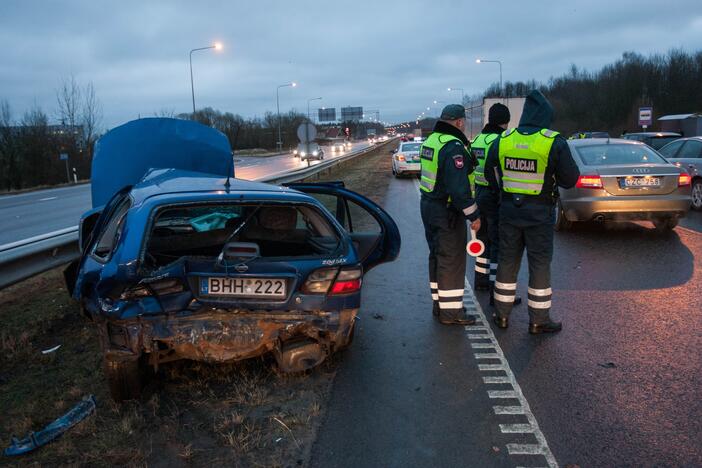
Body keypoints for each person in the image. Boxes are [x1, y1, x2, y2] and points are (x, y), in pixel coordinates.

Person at [484, 90, 580, 334]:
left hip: (508, 213)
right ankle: (538, 320)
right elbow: (570, 179)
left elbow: (489, 174)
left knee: (506, 262)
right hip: (540, 215)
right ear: (546, 116)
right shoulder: (552, 141)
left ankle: (501, 315)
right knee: (539, 265)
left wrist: (503, 194)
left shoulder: (504, 140)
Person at [420, 104, 481, 325]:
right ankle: (451, 312)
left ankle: (439, 305)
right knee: (451, 260)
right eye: (463, 121)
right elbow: (459, 189)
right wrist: (473, 215)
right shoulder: (453, 147)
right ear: (459, 122)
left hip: (428, 206)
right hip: (446, 211)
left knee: (436, 255)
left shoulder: (431, 141)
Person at [471, 104, 520, 308]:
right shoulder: (500, 141)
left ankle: (480, 281)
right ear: (505, 121)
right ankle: (496, 288)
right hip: (494, 196)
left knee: (482, 240)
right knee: (497, 242)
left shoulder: (477, 140)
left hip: (479, 194)